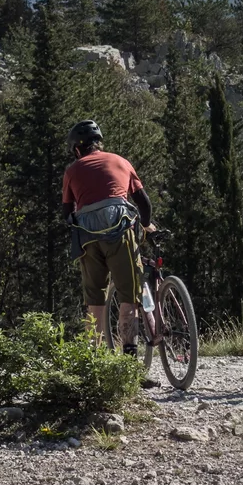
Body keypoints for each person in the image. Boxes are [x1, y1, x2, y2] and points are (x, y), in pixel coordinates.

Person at [61, 120, 158, 373]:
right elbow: (144, 203)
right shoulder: (121, 162)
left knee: (94, 301)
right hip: (119, 233)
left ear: (77, 149)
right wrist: (146, 225)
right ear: (99, 143)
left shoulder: (72, 171)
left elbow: (67, 213)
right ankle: (129, 367)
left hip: (88, 239)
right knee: (129, 299)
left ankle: (92, 365)